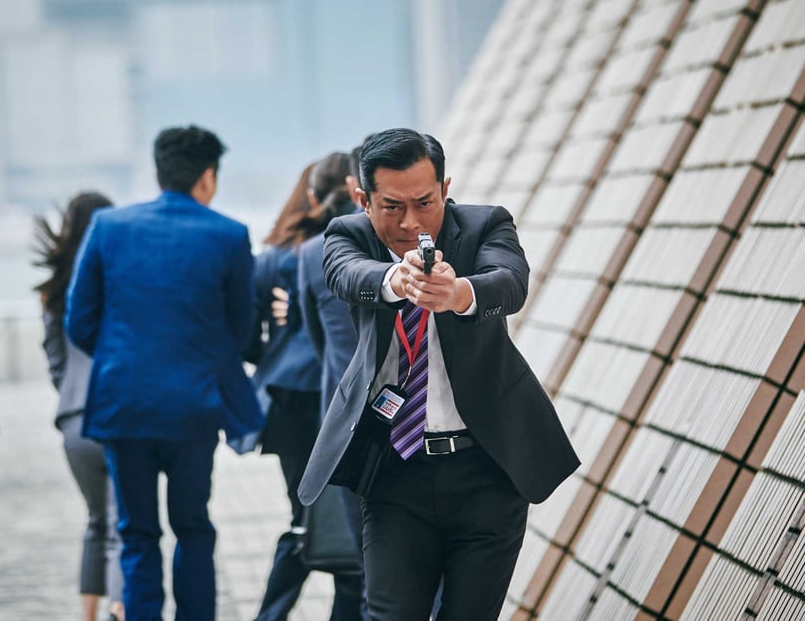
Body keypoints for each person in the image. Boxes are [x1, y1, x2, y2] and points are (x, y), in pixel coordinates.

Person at [298, 128, 580, 620]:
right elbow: (345, 274)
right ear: (363, 199)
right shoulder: (348, 234)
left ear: (446, 189)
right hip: (395, 473)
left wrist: (459, 294)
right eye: (392, 207)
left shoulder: (485, 224)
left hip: (487, 468)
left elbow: (510, 282)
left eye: (425, 202)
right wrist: (393, 279)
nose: (411, 222)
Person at [65, 125, 263, 621]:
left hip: (122, 404)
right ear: (208, 176)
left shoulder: (108, 227)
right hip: (194, 407)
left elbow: (79, 321)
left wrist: (121, 359)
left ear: (159, 170)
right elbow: (241, 329)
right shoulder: (229, 233)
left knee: (136, 532)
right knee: (193, 525)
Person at [243, 153, 365, 621]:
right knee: (345, 528)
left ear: (311, 194)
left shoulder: (279, 254)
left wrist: (276, 348)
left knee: (307, 520)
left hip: (292, 399)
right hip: (343, 401)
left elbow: (244, 334)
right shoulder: (363, 246)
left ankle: (270, 615)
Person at [34, 191, 124, 621]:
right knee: (123, 524)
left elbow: (55, 360)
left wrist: (72, 395)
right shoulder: (116, 279)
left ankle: (88, 615)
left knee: (96, 522)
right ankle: (122, 609)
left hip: (74, 419)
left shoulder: (53, 291)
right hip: (116, 411)